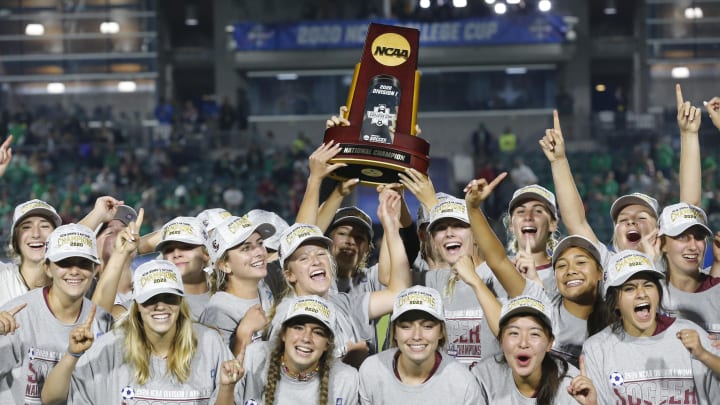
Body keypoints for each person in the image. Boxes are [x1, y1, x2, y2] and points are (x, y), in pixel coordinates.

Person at [540, 85, 702, 264]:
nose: (631, 222)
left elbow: (691, 206)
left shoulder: (673, 264)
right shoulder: (608, 264)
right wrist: (559, 161)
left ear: (659, 229)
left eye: (641, 217)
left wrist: (689, 134)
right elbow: (576, 223)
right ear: (615, 234)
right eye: (623, 219)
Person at [464, 174, 607, 367]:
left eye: (538, 211)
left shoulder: (570, 276)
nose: (529, 216)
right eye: (521, 212)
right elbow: (496, 259)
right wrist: (473, 208)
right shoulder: (487, 274)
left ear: (553, 223)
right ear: (511, 224)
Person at [269, 188, 410, 367]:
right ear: (289, 275)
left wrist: (391, 226)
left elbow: (400, 293)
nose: (315, 262)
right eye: (304, 258)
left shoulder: (343, 302)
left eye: (321, 254)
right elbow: (293, 381)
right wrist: (347, 363)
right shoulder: (287, 315)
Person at [66, 259, 235, 404]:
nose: (160, 306)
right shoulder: (107, 348)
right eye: (151, 299)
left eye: (169, 297)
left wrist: (227, 387)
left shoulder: (209, 342)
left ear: (180, 301)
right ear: (137, 304)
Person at [582, 250, 720, 404]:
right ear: (614, 302)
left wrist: (705, 354)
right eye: (629, 288)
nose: (642, 294)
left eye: (648, 285)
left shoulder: (693, 336)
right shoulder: (597, 349)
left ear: (659, 294)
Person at [0, 223, 113, 404]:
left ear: (95, 269)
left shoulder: (103, 321)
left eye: (84, 263)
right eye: (65, 263)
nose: (74, 271)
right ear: (47, 268)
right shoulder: (17, 316)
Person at [358, 285, 481, 403]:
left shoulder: (462, 382)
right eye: (406, 327)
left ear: (441, 332)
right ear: (394, 332)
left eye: (428, 326)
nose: (417, 336)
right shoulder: (372, 371)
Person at [229, 295, 359, 405]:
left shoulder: (345, 380)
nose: (306, 338)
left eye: (318, 332)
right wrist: (226, 387)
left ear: (327, 344)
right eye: (298, 328)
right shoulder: (256, 357)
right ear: (283, 334)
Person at [472, 295, 597, 405]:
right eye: (514, 333)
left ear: (549, 343)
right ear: (501, 341)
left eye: (534, 334)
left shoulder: (572, 385)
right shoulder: (483, 378)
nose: (523, 343)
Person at [199, 215, 276, 355]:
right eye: (246, 248)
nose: (259, 252)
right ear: (224, 265)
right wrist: (243, 335)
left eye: (260, 243)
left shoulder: (262, 286)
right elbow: (217, 372)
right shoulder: (219, 311)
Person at [657, 203, 720, 338]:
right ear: (662, 244)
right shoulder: (648, 292)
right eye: (682, 236)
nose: (693, 246)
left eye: (699, 237)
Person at [0, 198, 62, 306]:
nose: (36, 234)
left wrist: (98, 213)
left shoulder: (70, 283)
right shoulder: (3, 275)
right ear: (15, 240)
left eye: (44, 226)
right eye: (26, 227)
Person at [155, 216, 213, 319]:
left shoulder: (228, 294)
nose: (176, 254)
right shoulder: (153, 300)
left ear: (207, 253)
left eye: (186, 247)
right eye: (168, 249)